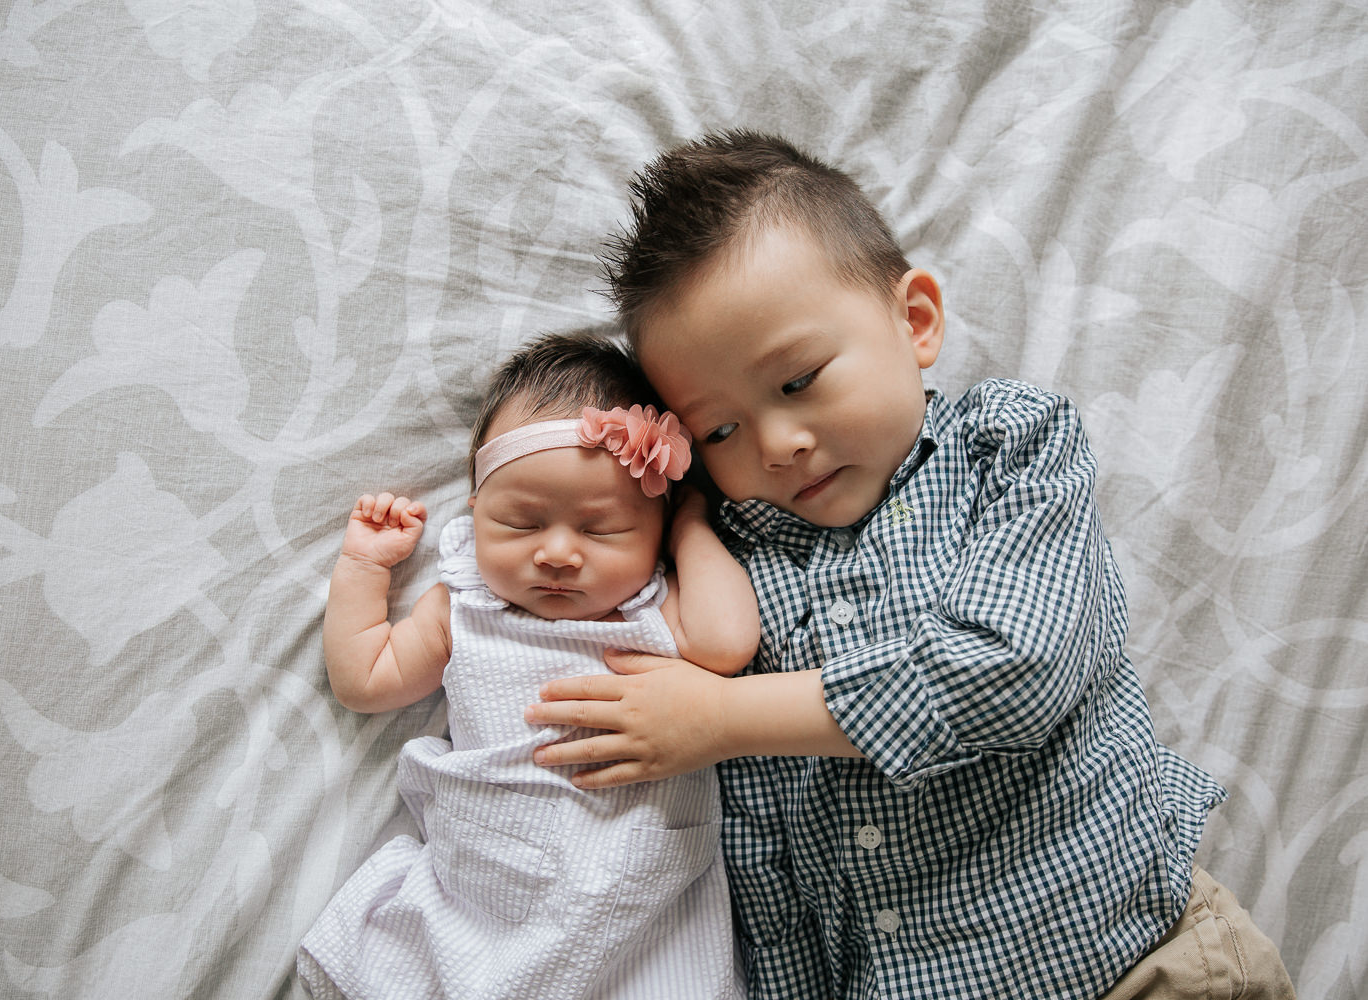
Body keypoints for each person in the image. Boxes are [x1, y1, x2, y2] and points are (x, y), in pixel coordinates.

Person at [525, 131, 1297, 999]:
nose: (780, 445)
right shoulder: (729, 567)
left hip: (1137, 956)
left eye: (800, 380)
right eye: (720, 431)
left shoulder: (1009, 446)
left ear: (916, 320)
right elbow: (760, 850)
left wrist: (726, 715)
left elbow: (1015, 668)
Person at [296, 332, 758, 1000]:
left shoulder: (655, 603)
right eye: (521, 523)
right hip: (488, 885)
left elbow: (729, 643)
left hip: (638, 899)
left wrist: (692, 524)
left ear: (654, 530)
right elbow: (366, 678)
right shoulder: (468, 602)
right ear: (477, 513)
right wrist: (366, 568)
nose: (559, 553)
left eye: (602, 529)